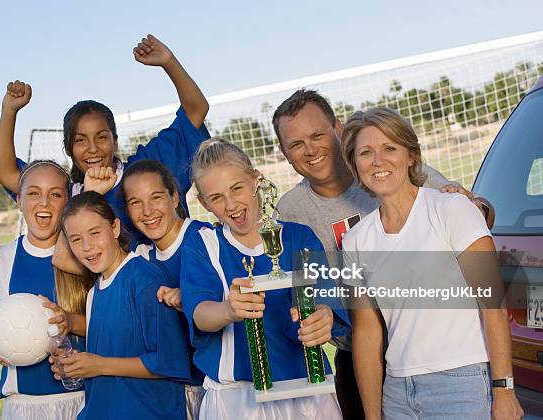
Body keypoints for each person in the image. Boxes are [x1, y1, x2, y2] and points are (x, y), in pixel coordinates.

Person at [271, 89, 480, 418]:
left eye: (317, 135)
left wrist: (478, 206)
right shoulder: (288, 211)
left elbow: (473, 216)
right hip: (359, 354)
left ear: (338, 129)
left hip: (433, 356)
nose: (310, 150)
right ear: (284, 153)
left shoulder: (385, 168)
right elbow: (303, 295)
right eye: (296, 144)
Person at [340, 107, 523, 419]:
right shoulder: (355, 239)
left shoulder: (452, 210)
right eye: (366, 153)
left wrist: (504, 389)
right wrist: (372, 415)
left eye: (389, 148)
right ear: (355, 165)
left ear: (411, 156)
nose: (378, 161)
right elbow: (367, 332)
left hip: (461, 384)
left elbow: (493, 304)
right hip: (396, 391)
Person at [180, 138, 350, 419]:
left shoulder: (299, 236)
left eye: (237, 188)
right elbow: (199, 313)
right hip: (236, 396)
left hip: (307, 390)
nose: (231, 204)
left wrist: (324, 317)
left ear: (255, 179)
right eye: (217, 197)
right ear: (204, 203)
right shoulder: (203, 245)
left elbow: (326, 301)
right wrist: (228, 309)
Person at [0, 34, 210, 247]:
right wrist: (9, 110)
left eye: (102, 137)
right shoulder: (67, 195)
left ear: (115, 141)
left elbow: (196, 110)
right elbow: (4, 172)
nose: (93, 149)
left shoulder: (146, 170)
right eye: (80, 140)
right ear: (68, 149)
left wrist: (168, 62)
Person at [0, 160, 89, 419]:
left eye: (55, 194)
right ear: (19, 200)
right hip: (25, 405)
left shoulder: (88, 256)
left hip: (88, 399)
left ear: (68, 202)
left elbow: (114, 323)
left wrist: (70, 323)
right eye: (33, 193)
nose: (44, 202)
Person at [58, 191, 191, 419]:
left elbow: (170, 361)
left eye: (95, 233)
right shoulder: (94, 293)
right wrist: (78, 365)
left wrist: (100, 365)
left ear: (115, 228)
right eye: (76, 239)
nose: (87, 246)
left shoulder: (146, 278)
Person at [122, 159, 210, 419]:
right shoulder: (141, 257)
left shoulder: (206, 238)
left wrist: (193, 299)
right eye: (136, 202)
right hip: (170, 393)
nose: (147, 210)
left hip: (215, 387)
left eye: (156, 197)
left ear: (174, 197)